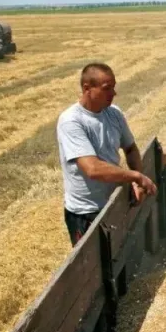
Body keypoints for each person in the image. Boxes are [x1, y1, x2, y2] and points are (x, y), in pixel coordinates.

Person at [56, 63, 157, 245]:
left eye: (113, 87)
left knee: (119, 261)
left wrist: (137, 183)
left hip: (114, 203)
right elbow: (92, 169)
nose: (113, 93)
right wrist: (136, 176)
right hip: (86, 212)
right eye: (106, 88)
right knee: (92, 271)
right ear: (87, 88)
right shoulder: (71, 121)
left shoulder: (114, 113)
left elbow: (131, 148)